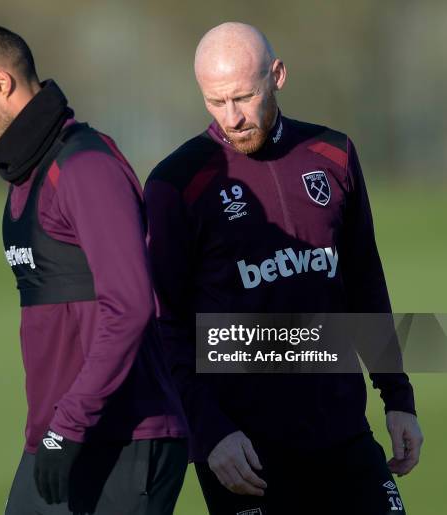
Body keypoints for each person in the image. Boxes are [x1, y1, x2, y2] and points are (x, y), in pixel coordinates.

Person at [144, 22, 423, 515]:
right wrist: (210, 434)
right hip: (244, 455)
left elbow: (364, 283)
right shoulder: (176, 182)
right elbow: (166, 327)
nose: (231, 117)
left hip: (343, 435)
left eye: (244, 97)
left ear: (277, 75)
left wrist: (397, 395)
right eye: (215, 102)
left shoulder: (334, 154)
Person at [0, 24, 188, 515]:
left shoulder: (84, 167)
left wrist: (67, 424)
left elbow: (131, 307)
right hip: (59, 440)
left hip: (124, 438)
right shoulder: (25, 178)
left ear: (1, 84)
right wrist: (54, 434)